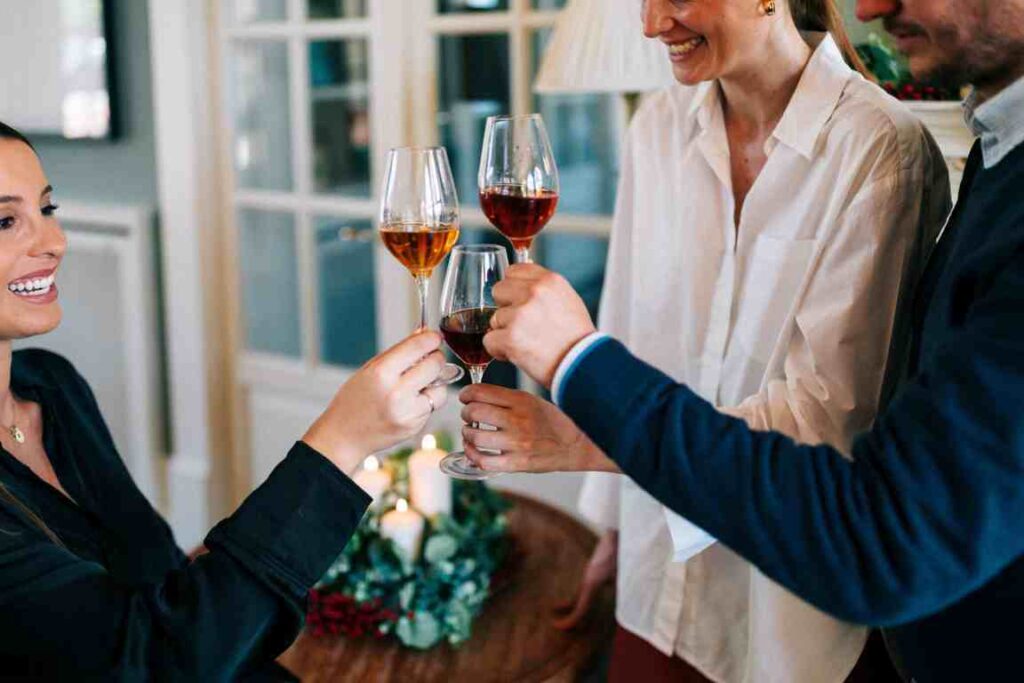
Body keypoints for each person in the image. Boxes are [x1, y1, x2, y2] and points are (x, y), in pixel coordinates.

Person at [466, 0, 1024, 680]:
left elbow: (824, 425)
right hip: (652, 578)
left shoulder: (880, 150)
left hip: (777, 612)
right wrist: (611, 528)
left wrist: (584, 433)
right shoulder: (656, 128)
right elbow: (627, 323)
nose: (652, 24)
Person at [0, 121, 448, 679]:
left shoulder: (54, 387)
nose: (54, 242)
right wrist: (341, 441)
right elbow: (154, 660)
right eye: (5, 221)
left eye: (48, 208)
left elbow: (160, 575)